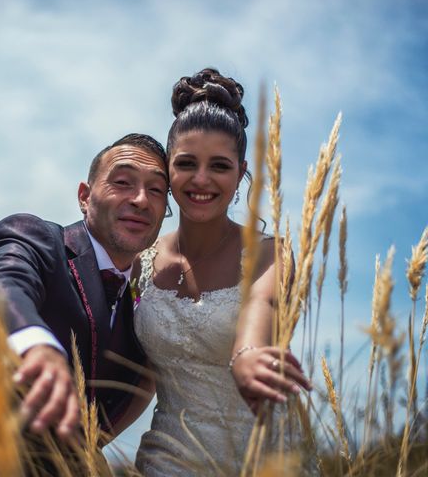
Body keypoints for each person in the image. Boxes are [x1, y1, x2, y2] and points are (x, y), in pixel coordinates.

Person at [0, 133, 169, 476]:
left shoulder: (146, 304)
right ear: (84, 196)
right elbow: (3, 285)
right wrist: (34, 343)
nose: (140, 199)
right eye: (123, 182)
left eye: (156, 190)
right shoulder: (35, 238)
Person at [132, 69, 311, 475]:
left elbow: (261, 307)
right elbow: (142, 378)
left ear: (241, 171)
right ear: (168, 167)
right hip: (168, 458)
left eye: (219, 166)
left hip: (263, 459)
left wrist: (247, 356)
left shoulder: (270, 254)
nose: (201, 179)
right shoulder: (141, 263)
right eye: (186, 163)